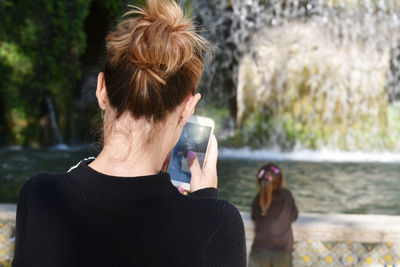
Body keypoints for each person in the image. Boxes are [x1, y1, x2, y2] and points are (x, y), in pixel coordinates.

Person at [12, 1, 246, 266]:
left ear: (102, 89)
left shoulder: (39, 197)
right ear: (187, 108)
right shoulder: (218, 223)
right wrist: (205, 205)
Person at [249, 163, 298, 267]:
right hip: (281, 252)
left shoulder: (258, 198)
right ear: (281, 181)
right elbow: (294, 216)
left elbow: (254, 216)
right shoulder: (287, 196)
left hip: (259, 252)